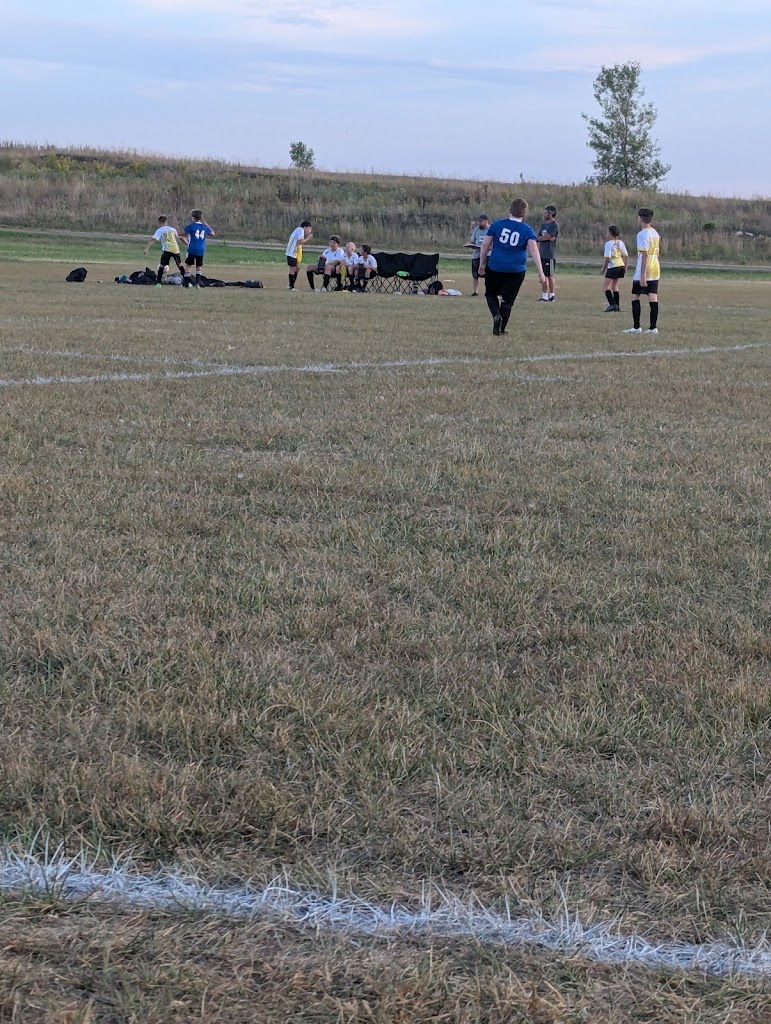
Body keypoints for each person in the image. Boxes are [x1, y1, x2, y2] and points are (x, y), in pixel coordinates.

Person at [478, 199, 546, 336]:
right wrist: (541, 272)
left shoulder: (497, 224)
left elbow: (485, 245)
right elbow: (534, 250)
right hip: (516, 269)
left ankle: (496, 315)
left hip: (496, 266)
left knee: (491, 294)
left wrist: (482, 263)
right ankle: (501, 329)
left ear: (510, 210)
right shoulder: (527, 230)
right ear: (525, 213)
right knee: (507, 301)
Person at [623, 207, 661, 335]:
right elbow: (657, 252)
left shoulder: (642, 234)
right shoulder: (655, 233)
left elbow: (644, 254)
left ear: (640, 219)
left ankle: (636, 327)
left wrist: (643, 275)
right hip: (655, 267)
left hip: (645, 268)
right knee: (653, 296)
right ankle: (653, 327)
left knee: (635, 296)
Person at [144, 216, 188, 287]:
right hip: (175, 249)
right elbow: (180, 237)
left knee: (162, 266)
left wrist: (147, 248)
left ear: (159, 222)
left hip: (167, 250)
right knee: (180, 265)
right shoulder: (172, 229)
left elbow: (153, 240)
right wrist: (187, 244)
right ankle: (187, 282)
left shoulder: (160, 230)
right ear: (166, 222)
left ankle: (158, 283)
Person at [182, 210, 215, 288]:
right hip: (201, 249)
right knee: (199, 266)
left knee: (188, 265)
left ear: (193, 218)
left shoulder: (191, 226)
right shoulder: (204, 227)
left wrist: (176, 226)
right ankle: (197, 283)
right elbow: (213, 233)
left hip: (192, 249)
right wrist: (207, 225)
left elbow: (181, 233)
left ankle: (186, 284)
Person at [601, 225, 628, 312]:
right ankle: (617, 306)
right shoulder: (620, 242)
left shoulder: (608, 244)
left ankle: (613, 304)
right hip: (620, 266)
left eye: (607, 232)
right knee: (615, 287)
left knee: (606, 287)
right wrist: (625, 267)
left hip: (613, 266)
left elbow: (608, 258)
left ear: (610, 233)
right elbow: (625, 255)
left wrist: (604, 269)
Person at [536, 205, 559, 301]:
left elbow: (548, 237)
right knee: (543, 275)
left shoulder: (554, 225)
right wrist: (543, 238)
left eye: (546, 213)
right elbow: (540, 237)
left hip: (549, 254)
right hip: (542, 253)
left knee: (550, 275)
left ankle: (552, 295)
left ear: (551, 214)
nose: (544, 214)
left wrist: (545, 238)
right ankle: (544, 296)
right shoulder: (543, 226)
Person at [285, 220, 313, 290]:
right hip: (291, 252)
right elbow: (300, 242)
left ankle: (291, 284)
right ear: (305, 227)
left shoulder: (298, 230)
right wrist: (308, 238)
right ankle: (291, 286)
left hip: (294, 253)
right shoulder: (300, 230)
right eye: (309, 229)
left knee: (297, 268)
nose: (309, 231)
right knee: (293, 269)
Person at [467, 214, 490, 296]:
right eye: (478, 221)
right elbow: (473, 241)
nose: (479, 223)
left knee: (489, 275)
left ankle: (489, 291)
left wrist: (486, 248)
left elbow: (494, 243)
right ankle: (475, 292)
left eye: (481, 221)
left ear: (486, 221)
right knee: (475, 274)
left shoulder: (491, 230)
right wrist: (470, 244)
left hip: (488, 255)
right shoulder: (476, 230)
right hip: (476, 255)